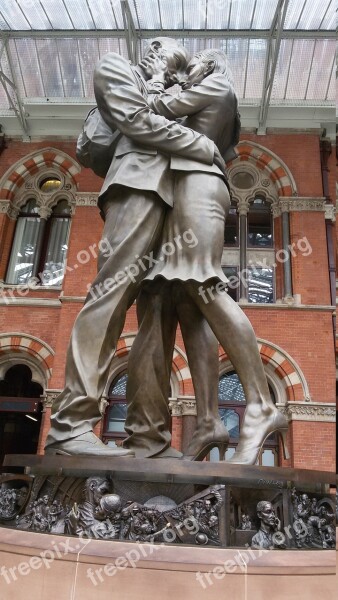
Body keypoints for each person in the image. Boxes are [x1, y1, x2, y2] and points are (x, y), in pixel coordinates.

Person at [44, 38, 224, 457]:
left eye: (169, 59)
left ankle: (149, 437)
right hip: (136, 187)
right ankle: (71, 424)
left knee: (157, 317)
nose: (156, 56)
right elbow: (137, 121)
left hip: (172, 201)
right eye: (157, 49)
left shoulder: (173, 93)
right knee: (110, 294)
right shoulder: (116, 68)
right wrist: (203, 147)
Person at [123, 49, 289, 464]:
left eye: (191, 66)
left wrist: (161, 76)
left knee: (203, 284)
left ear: (209, 65)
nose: (185, 72)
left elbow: (153, 109)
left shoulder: (216, 84)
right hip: (189, 187)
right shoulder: (212, 100)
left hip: (198, 187)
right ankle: (210, 420)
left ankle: (260, 403)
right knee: (186, 299)